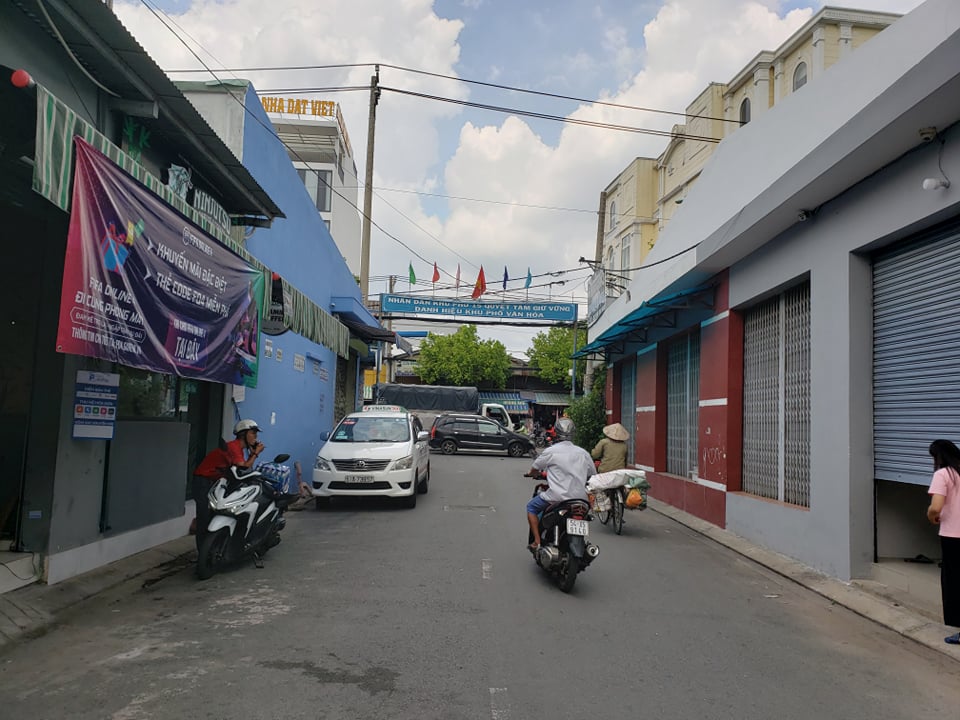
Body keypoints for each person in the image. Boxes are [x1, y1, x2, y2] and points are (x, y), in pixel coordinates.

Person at [191, 419, 265, 550]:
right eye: (253, 433)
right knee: (204, 518)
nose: (256, 437)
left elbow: (242, 471)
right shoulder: (234, 447)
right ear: (243, 434)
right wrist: (255, 453)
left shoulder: (239, 450)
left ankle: (216, 548)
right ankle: (202, 553)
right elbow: (243, 467)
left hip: (215, 482)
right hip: (203, 481)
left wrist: (252, 454)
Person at [524, 417, 596, 551]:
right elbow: (592, 474)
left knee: (531, 507)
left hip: (557, 497)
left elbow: (535, 468)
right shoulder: (583, 453)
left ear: (556, 433)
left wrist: (532, 474)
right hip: (581, 499)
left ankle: (537, 542)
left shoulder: (551, 451)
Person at [926, 439, 960, 644]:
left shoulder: (943, 474)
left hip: (953, 537)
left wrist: (931, 515)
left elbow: (936, 507)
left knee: (955, 582)